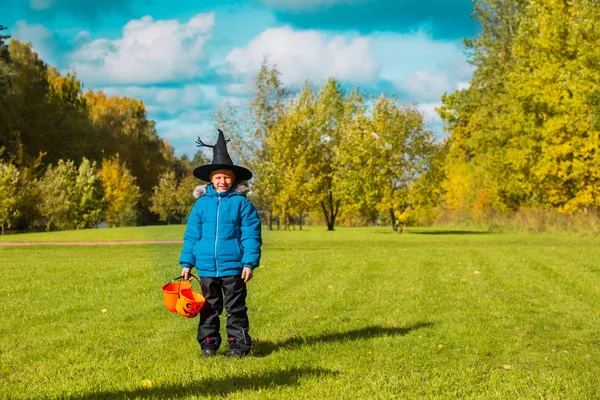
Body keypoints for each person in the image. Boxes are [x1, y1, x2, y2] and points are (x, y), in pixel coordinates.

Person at [179, 129, 262, 358]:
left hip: (234, 268)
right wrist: (187, 262)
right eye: (218, 177)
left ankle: (239, 347)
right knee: (208, 308)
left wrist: (249, 263)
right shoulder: (201, 206)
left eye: (226, 177)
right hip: (206, 268)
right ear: (211, 180)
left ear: (233, 179)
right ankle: (208, 345)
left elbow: (251, 236)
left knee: (235, 309)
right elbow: (192, 235)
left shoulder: (242, 205)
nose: (222, 181)